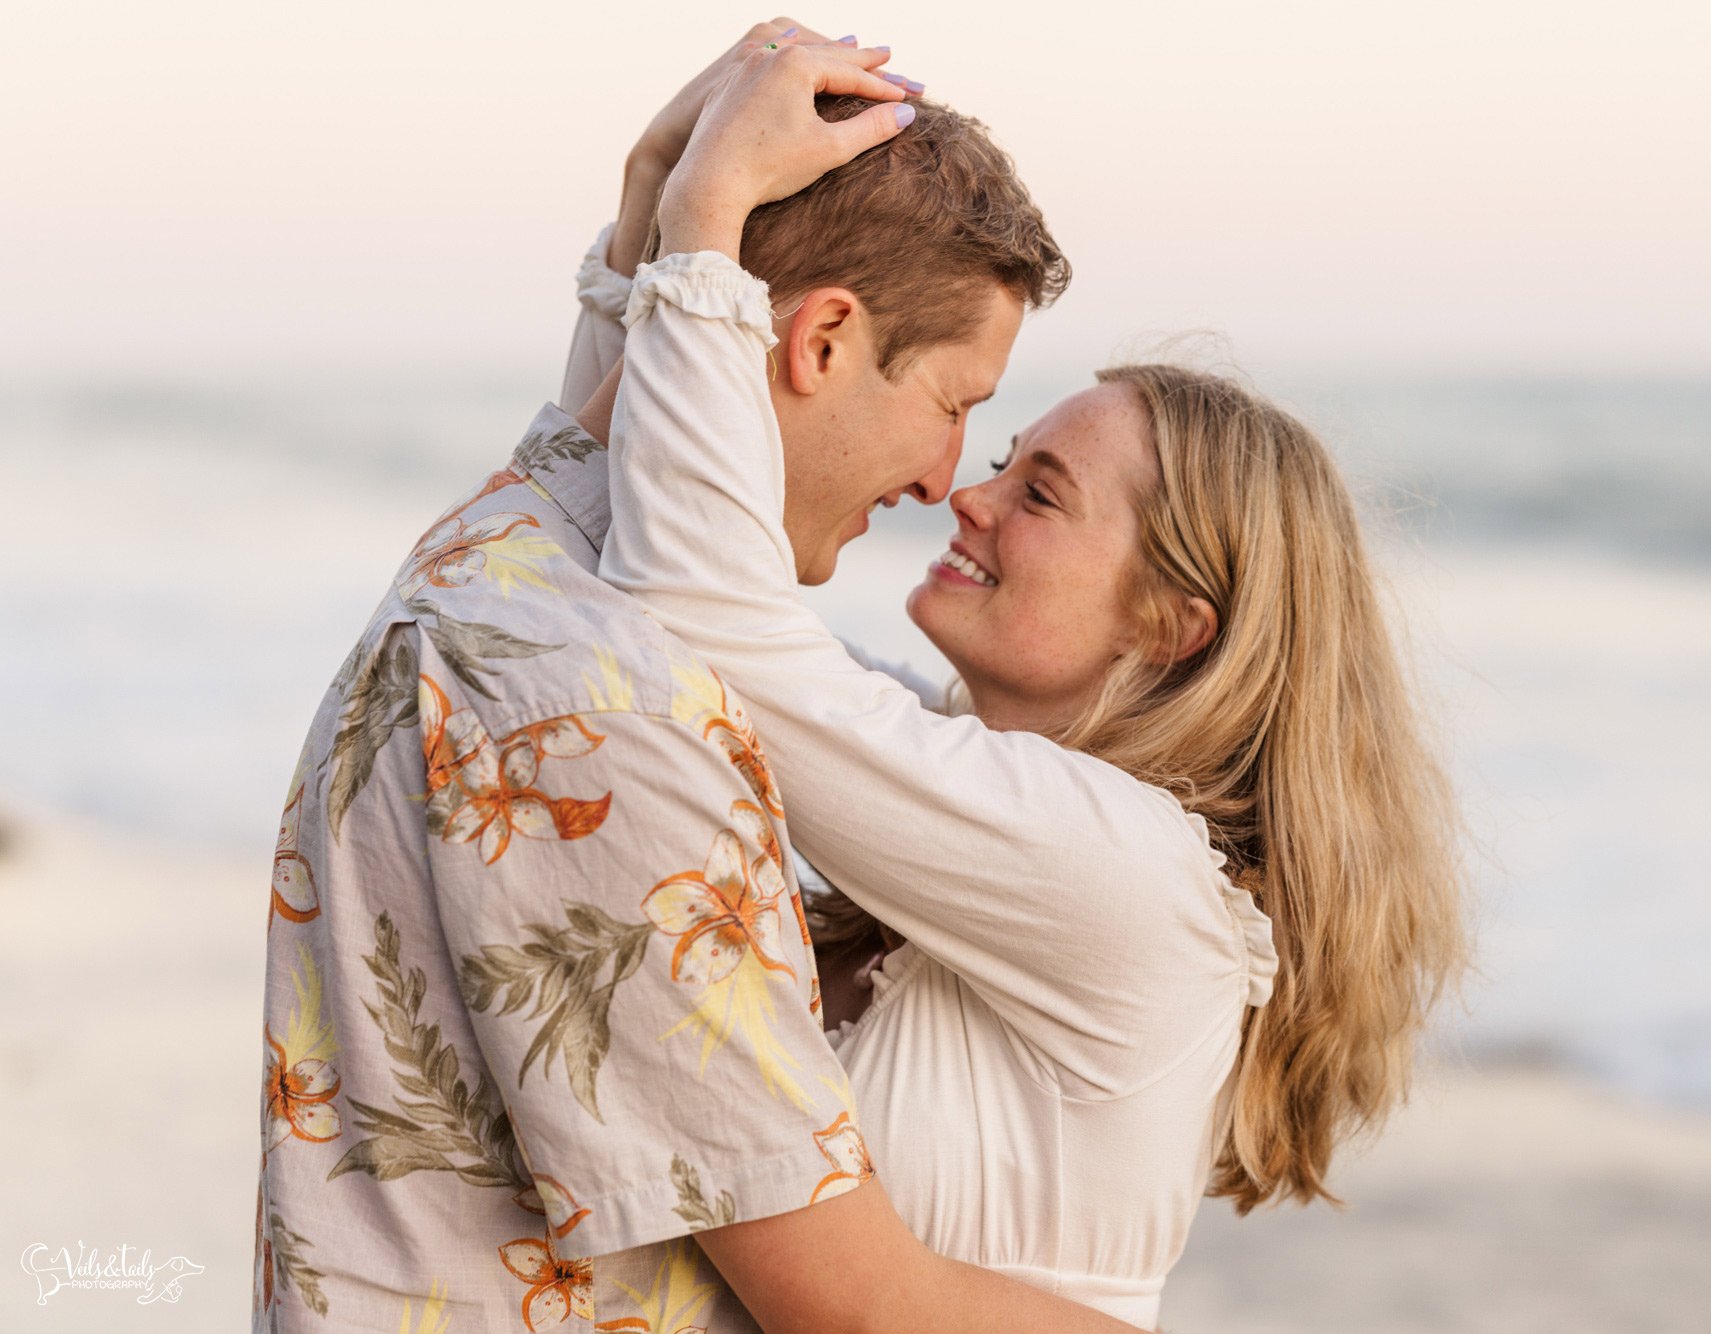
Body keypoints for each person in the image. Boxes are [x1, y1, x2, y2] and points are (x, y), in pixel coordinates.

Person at [577, 29, 1470, 1330]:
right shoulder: (1005, 807)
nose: (965, 491)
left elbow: (703, 627)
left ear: (1172, 620)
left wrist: (708, 215)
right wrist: (645, 212)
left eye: (1039, 490)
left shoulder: (1118, 869)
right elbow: (636, 582)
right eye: (996, 449)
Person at [254, 24, 1134, 1333]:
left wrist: (661, 211)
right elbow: (857, 1308)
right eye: (956, 400)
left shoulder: (503, 556)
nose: (950, 477)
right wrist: (695, 211)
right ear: (824, 339)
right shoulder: (607, 708)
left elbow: (606, 438)